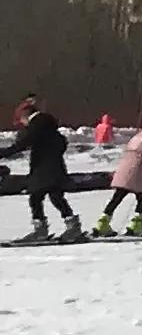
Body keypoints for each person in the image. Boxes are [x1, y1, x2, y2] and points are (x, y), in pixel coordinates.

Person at [16, 100, 82, 242]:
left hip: (42, 169)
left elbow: (24, 143)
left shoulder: (36, 126)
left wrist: (4, 153)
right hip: (54, 167)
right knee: (56, 197)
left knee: (36, 197)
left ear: (25, 115)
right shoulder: (48, 126)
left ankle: (41, 229)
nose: (22, 124)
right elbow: (61, 142)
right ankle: (72, 226)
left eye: (21, 120)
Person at [94, 116, 142, 238]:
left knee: (117, 196)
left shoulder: (136, 137)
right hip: (138, 173)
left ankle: (103, 221)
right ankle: (137, 224)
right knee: (141, 197)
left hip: (124, 171)